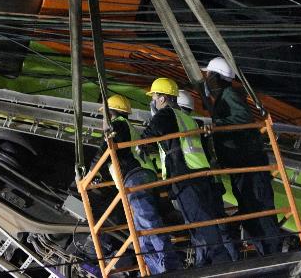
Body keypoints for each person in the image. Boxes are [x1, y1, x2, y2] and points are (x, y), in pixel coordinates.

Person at [142, 78, 239, 266]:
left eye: (154, 96)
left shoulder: (166, 114)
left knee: (200, 222)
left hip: (184, 176)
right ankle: (206, 264)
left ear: (162, 98)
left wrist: (142, 146)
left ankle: (223, 263)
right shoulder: (188, 118)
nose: (153, 100)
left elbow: (150, 133)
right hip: (200, 174)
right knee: (202, 222)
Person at [88, 94, 180, 274]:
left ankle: (169, 266)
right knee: (141, 232)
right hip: (140, 176)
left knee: (147, 223)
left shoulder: (118, 124)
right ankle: (157, 269)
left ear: (111, 113)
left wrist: (92, 171)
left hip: (134, 176)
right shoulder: (128, 127)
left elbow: (106, 147)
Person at [203, 57, 282, 256]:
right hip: (241, 165)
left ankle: (272, 254)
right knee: (250, 211)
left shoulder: (228, 94)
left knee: (259, 209)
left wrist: (217, 125)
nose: (206, 78)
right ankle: (266, 253)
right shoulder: (222, 98)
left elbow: (243, 118)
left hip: (249, 163)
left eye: (208, 75)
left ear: (217, 77)